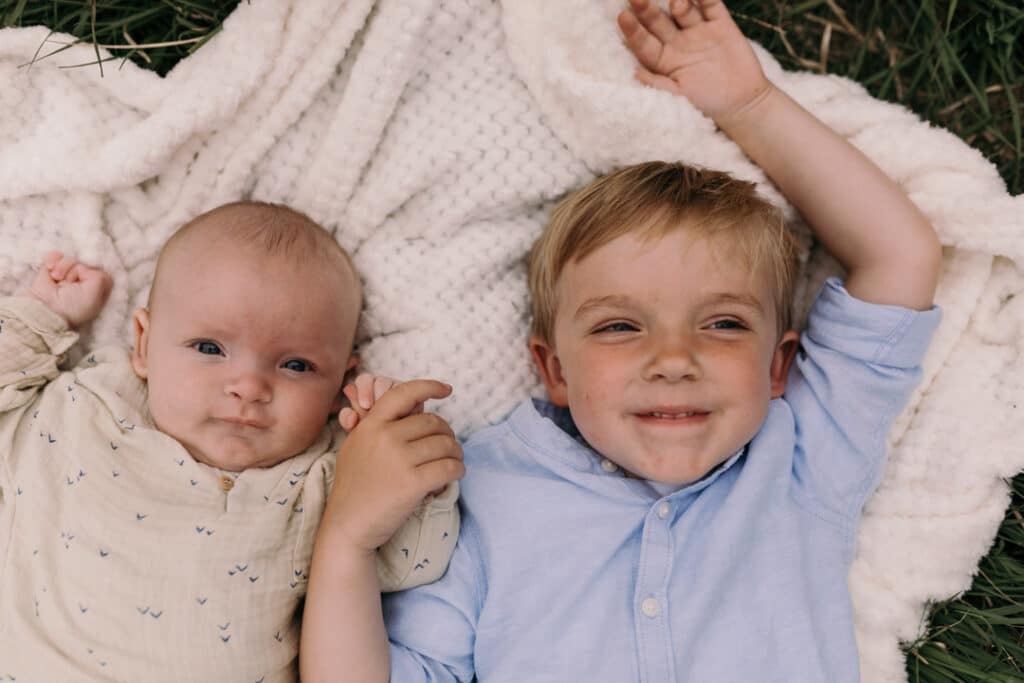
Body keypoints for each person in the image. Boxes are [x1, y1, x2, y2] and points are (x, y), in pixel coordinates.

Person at [300, 0, 942, 680]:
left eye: (723, 323)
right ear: (554, 369)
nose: (673, 359)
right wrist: (348, 538)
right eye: (620, 326)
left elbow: (899, 255)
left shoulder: (802, 459)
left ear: (778, 363)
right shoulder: (484, 491)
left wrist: (750, 103)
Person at [0, 201, 463, 682]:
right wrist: (40, 319)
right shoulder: (86, 410)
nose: (248, 386)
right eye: (209, 348)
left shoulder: (322, 481)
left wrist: (394, 447)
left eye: (296, 365)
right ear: (143, 344)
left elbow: (418, 559)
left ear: (339, 385)